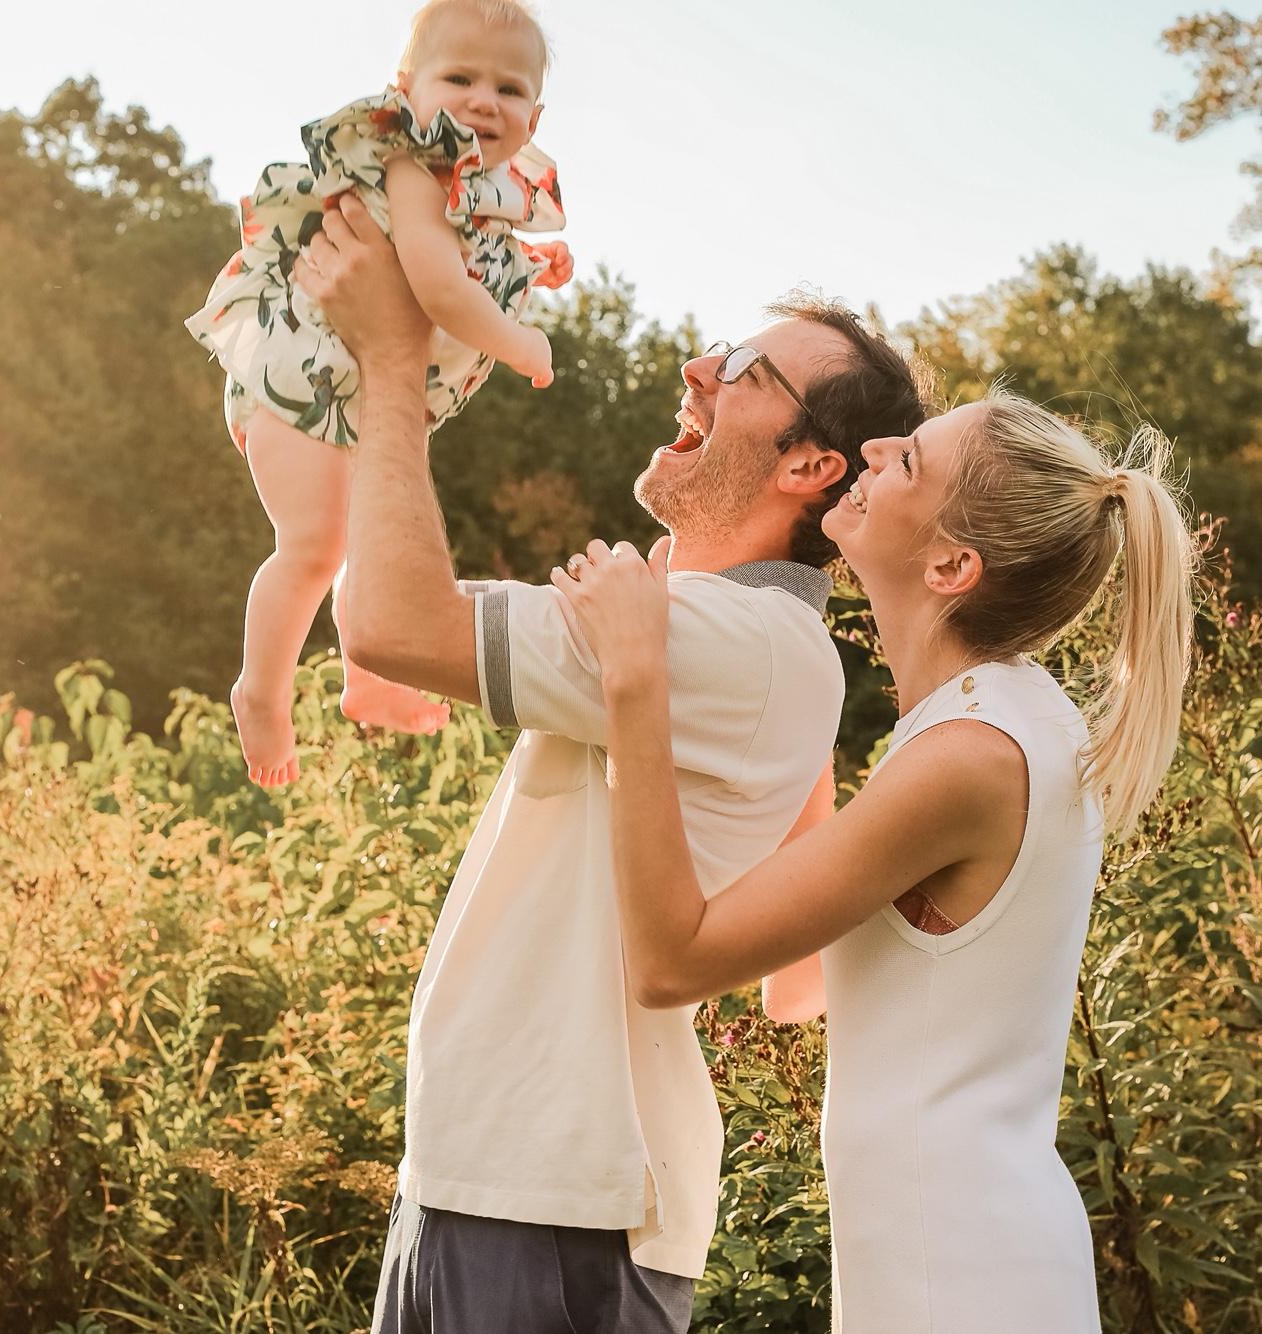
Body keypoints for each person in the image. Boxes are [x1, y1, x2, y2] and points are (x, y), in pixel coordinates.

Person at [289, 191, 930, 1327]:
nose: (696, 367)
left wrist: (395, 363)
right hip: (499, 1178)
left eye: (742, 370)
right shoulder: (705, 625)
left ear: (807, 466)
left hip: (556, 1201)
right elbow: (387, 606)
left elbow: (387, 620)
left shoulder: (727, 640)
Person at [552, 393, 1197, 1332]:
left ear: (951, 566)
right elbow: (800, 988)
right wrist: (784, 700)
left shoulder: (969, 758)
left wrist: (636, 679)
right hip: (962, 1258)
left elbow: (669, 962)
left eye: (909, 461)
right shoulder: (1004, 719)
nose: (877, 447)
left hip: (956, 1281)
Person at [185, 0, 571, 786]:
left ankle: (371, 675)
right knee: (315, 545)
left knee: (374, 535)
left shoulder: (481, 192)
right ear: (406, 90)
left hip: (357, 393)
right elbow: (438, 287)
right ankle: (261, 690)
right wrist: (523, 342)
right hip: (304, 383)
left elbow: (468, 261)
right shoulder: (410, 163)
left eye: (508, 88)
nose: (483, 100)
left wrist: (531, 266)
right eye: (459, 78)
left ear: (534, 118)